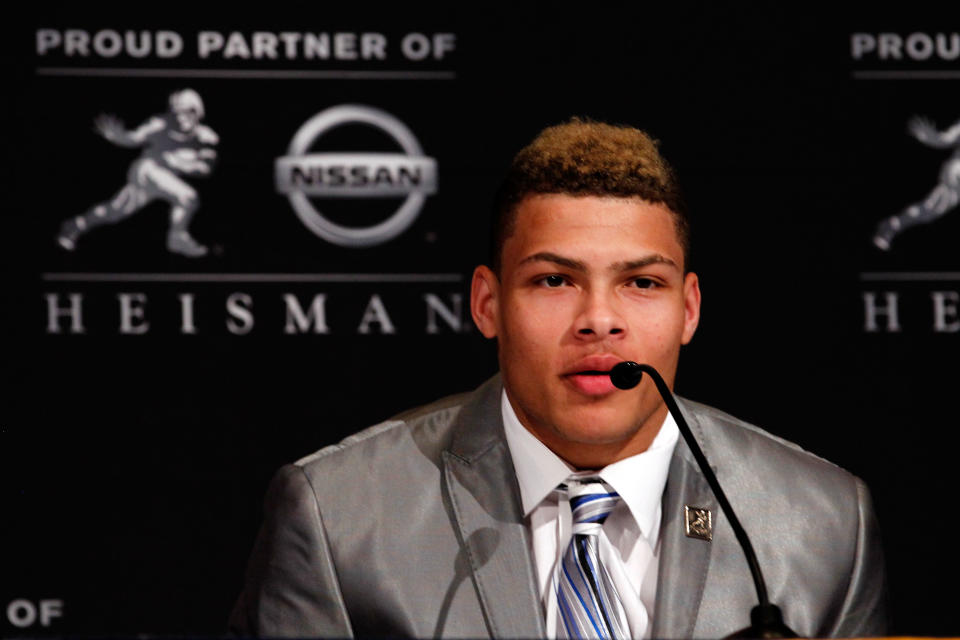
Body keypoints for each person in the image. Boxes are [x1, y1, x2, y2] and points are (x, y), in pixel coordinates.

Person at [230, 120, 887, 638]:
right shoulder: (339, 516)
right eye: (553, 280)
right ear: (487, 304)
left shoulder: (821, 523)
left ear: (688, 309)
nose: (599, 321)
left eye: (641, 283)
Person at [56, 88, 217, 258]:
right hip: (147, 170)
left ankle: (75, 225)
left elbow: (205, 169)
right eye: (177, 112)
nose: (180, 117)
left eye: (187, 112)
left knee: (115, 210)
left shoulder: (206, 137)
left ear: (197, 111)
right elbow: (134, 138)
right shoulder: (159, 124)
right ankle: (177, 237)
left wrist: (178, 163)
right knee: (188, 197)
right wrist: (119, 137)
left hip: (162, 178)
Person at [873, 114, 960, 250]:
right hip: (956, 176)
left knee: (931, 209)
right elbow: (946, 138)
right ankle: (892, 225)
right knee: (930, 209)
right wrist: (934, 138)